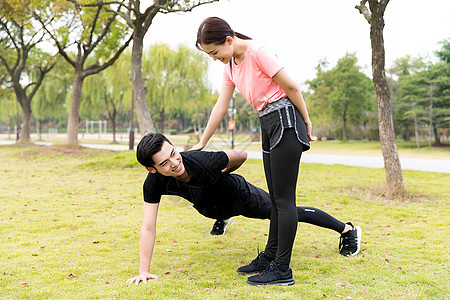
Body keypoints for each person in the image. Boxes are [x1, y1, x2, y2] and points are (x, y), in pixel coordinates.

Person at [126, 133, 362, 286]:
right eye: (164, 163)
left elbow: (241, 155)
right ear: (152, 169)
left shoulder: (203, 161)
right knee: (209, 206)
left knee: (283, 212)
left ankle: (347, 229)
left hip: (240, 195)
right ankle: (224, 217)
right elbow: (148, 226)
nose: (175, 163)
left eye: (174, 154)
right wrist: (143, 270)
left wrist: (225, 173)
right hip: (210, 207)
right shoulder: (154, 183)